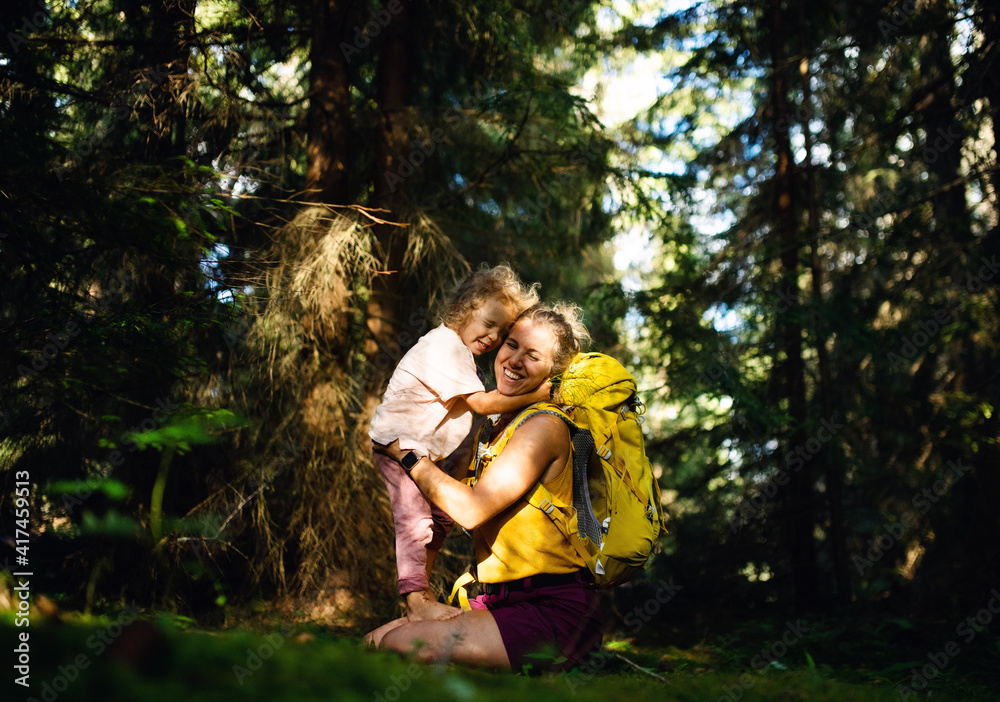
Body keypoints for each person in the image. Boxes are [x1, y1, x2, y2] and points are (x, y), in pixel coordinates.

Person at [366, 303, 604, 674]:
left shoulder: (543, 426)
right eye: (512, 345)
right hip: (500, 602)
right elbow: (443, 508)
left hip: (553, 610)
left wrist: (406, 455)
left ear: (552, 374)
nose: (515, 360)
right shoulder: (496, 427)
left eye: (534, 356)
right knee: (374, 641)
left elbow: (472, 509)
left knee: (398, 645)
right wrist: (420, 594)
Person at [369, 264, 548, 622]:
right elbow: (482, 404)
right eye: (488, 323)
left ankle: (423, 587)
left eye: (501, 332)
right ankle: (415, 597)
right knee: (416, 521)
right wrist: (539, 395)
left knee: (443, 517)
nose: (492, 337)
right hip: (397, 444)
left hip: (421, 452)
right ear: (465, 309)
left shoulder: (462, 356)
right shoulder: (444, 347)